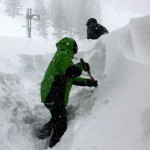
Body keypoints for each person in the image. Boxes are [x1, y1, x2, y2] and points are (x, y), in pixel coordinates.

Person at [38, 37, 98, 148]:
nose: (75, 53)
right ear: (71, 47)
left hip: (52, 95)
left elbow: (71, 78)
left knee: (58, 116)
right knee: (61, 124)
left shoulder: (62, 56)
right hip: (53, 95)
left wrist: (88, 82)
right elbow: (72, 72)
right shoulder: (63, 55)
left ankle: (42, 133)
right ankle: (55, 146)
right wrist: (81, 66)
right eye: (75, 50)